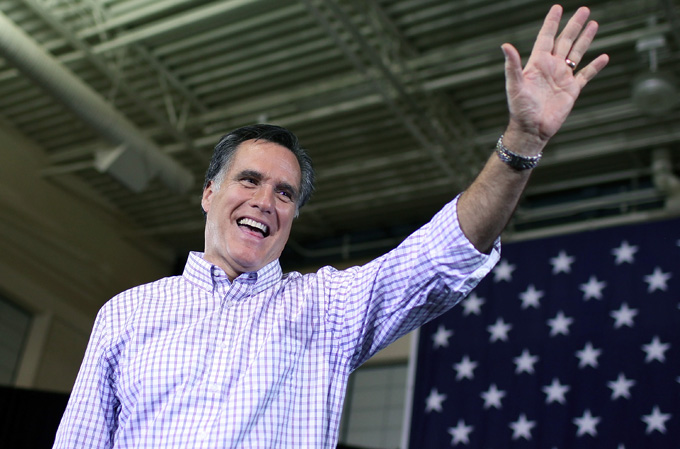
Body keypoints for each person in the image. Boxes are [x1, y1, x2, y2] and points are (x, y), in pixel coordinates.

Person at [53, 5, 609, 448]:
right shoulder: (126, 314)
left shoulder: (328, 309)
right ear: (209, 193)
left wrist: (522, 143)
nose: (265, 201)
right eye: (249, 180)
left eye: (285, 193)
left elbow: (441, 256)